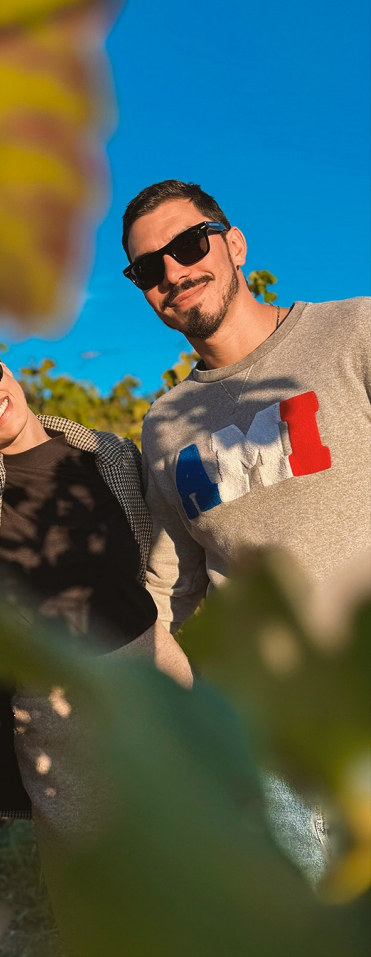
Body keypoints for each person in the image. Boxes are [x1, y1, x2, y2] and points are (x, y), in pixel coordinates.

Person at [121, 178, 371, 879]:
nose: (172, 272)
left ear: (234, 244)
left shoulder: (355, 330)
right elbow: (172, 589)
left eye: (188, 245)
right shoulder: (165, 424)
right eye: (148, 268)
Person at [0, 334, 192, 853]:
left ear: (0, 364)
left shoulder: (109, 455)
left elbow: (156, 564)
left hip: (162, 688)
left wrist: (167, 636)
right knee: (93, 888)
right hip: (62, 729)